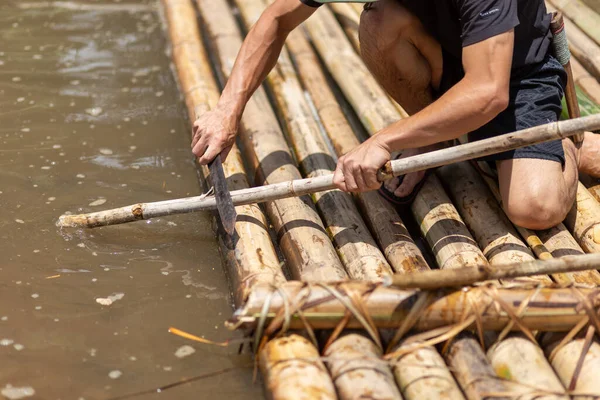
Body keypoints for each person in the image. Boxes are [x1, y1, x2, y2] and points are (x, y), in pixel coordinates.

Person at [191, 0, 600, 230]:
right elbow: (278, 19)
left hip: (514, 77)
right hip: (445, 60)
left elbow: (488, 93)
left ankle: (560, 143)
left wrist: (384, 140)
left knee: (534, 209)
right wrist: (227, 110)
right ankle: (437, 133)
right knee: (379, 22)